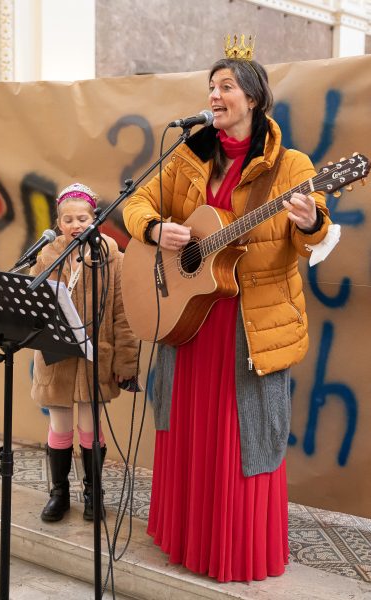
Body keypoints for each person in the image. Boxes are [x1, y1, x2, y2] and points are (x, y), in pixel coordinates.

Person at [122, 37, 333, 582]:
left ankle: (234, 552)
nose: (214, 96)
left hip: (249, 329)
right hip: (188, 322)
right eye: (210, 87)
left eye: (225, 87)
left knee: (242, 442)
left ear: (254, 98)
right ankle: (187, 543)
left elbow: (316, 241)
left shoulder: (292, 166)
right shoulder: (189, 155)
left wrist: (311, 221)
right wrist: (154, 228)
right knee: (188, 437)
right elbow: (137, 203)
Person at [30, 182, 139, 522]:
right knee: (60, 424)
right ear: (58, 222)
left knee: (90, 425)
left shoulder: (112, 256)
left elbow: (124, 314)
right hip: (57, 355)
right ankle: (59, 492)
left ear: (95, 218)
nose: (75, 225)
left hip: (96, 355)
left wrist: (126, 361)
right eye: (67, 219)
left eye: (82, 218)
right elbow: (35, 303)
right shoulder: (48, 255)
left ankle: (94, 491)